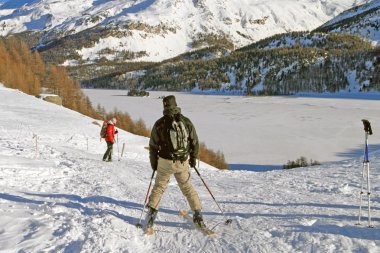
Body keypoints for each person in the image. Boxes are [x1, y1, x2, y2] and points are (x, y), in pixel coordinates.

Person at [146, 95, 205, 231]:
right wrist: (193, 158)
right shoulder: (186, 121)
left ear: (164, 106)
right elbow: (194, 142)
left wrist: (154, 164)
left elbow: (153, 146)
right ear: (176, 105)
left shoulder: (159, 123)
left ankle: (151, 216)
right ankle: (198, 214)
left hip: (165, 162)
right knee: (187, 187)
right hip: (182, 162)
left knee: (159, 187)